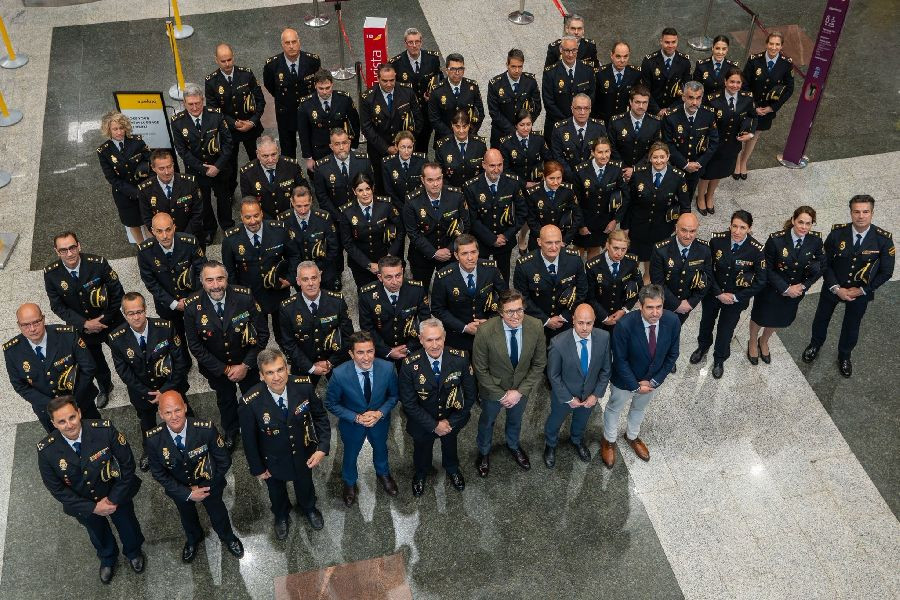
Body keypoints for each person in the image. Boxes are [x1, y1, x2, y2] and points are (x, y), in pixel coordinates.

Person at [37, 396, 145, 584]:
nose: (69, 425)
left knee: (128, 524)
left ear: (79, 413)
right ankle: (108, 558)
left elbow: (127, 466)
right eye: (61, 421)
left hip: (115, 494)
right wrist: (93, 508)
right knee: (96, 532)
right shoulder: (47, 450)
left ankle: (133, 551)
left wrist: (112, 500)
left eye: (72, 417)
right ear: (53, 423)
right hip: (84, 504)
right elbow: (57, 489)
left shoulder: (104, 430)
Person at [240, 349, 330, 536]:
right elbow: (249, 439)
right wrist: (257, 468)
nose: (277, 377)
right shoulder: (250, 402)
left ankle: (309, 507)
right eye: (269, 372)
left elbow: (320, 416)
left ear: (287, 368)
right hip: (272, 459)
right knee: (276, 491)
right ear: (261, 375)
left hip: (303, 452)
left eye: (280, 369)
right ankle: (281, 514)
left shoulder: (304, 386)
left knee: (305, 484)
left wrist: (322, 447)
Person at [803, 195, 894, 378]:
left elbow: (886, 272)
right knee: (821, 318)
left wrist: (863, 290)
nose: (861, 216)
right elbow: (825, 263)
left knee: (852, 325)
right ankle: (815, 345)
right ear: (851, 212)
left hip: (860, 291)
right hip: (834, 287)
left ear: (872, 213)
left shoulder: (883, 240)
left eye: (865, 212)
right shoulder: (837, 234)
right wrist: (836, 288)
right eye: (856, 211)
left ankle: (844, 356)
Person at [146, 391, 244, 559]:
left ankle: (228, 537)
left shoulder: (205, 429)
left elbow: (224, 461)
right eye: (168, 412)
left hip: (209, 485)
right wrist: (187, 493)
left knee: (218, 513)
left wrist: (204, 488)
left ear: (185, 407)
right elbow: (159, 473)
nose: (174, 417)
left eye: (177, 410)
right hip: (179, 490)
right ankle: (193, 539)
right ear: (160, 414)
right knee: (187, 516)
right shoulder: (154, 439)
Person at [183, 261, 269, 448]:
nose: (216, 285)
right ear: (202, 282)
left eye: (220, 279)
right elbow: (195, 345)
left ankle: (259, 428)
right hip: (217, 368)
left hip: (247, 363)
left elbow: (262, 334)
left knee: (254, 397)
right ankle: (231, 430)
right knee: (225, 400)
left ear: (227, 278)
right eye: (210, 280)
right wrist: (225, 369)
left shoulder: (244, 297)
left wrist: (245, 365)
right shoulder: (192, 306)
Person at [108, 292, 190, 471]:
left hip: (171, 387)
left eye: (139, 311)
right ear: (124, 314)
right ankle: (149, 451)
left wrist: (165, 390)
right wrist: (147, 392)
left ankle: (192, 441)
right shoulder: (116, 338)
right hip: (143, 393)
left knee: (184, 414)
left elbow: (180, 362)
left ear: (146, 310)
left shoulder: (165, 328)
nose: (136, 317)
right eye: (131, 313)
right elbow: (124, 372)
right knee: (147, 423)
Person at [44, 231, 123, 409]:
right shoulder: (51, 274)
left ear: (79, 245)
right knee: (94, 363)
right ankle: (105, 387)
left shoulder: (98, 264)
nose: (69, 253)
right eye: (63, 250)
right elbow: (58, 306)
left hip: (111, 321)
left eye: (72, 247)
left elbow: (118, 293)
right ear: (56, 251)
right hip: (82, 329)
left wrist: (103, 319)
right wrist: (85, 324)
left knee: (126, 353)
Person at [471, 289, 546, 476]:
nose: (516, 316)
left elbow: (539, 364)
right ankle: (484, 452)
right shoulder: (485, 331)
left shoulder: (536, 326)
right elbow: (480, 369)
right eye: (510, 311)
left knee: (515, 420)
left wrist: (519, 392)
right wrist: (502, 395)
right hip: (492, 390)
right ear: (500, 312)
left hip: (521, 389)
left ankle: (513, 445)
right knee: (487, 421)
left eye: (519, 310)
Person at [603, 284, 680, 467]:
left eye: (659, 307)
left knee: (639, 408)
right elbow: (620, 359)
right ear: (640, 305)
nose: (655, 313)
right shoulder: (624, 325)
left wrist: (654, 381)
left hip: (652, 381)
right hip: (624, 381)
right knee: (614, 408)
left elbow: (672, 354)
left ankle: (632, 436)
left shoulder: (672, 321)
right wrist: (636, 386)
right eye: (650, 307)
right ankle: (609, 440)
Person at [400, 318, 476, 496]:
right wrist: (434, 425)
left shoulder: (460, 358)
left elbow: (470, 395)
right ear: (421, 340)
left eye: (438, 339)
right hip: (422, 422)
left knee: (450, 444)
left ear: (444, 337)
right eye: (429, 340)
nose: (434, 345)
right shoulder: (409, 365)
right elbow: (409, 403)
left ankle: (452, 468)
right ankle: (421, 473)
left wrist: (450, 422)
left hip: (452, 418)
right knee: (422, 449)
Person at [325, 331, 400, 506]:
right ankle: (349, 482)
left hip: (379, 423)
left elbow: (394, 396)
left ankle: (383, 474)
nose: (366, 358)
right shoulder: (339, 374)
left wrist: (379, 413)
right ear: (351, 354)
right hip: (352, 425)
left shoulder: (388, 368)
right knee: (350, 454)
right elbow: (331, 403)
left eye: (370, 351)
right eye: (360, 352)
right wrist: (356, 418)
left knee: (381, 449)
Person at [690, 210, 766, 379]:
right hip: (713, 294)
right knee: (706, 322)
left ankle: (719, 358)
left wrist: (736, 297)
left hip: (735, 300)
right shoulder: (717, 241)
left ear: (749, 228)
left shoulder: (756, 250)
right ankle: (703, 346)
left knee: (726, 330)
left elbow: (760, 281)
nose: (737, 231)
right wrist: (718, 293)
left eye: (742, 227)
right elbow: (707, 269)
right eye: (734, 226)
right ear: (730, 225)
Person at [5, 303, 100, 432]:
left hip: (80, 402)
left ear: (43, 319)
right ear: (18, 325)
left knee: (96, 433)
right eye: (25, 325)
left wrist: (72, 402)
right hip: (47, 411)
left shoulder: (67, 335)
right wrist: (51, 406)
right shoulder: (12, 351)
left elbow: (88, 367)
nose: (32, 329)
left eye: (36, 322)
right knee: (60, 442)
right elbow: (19, 385)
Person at [748, 206, 824, 364]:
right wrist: (785, 288)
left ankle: (764, 340)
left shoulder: (815, 241)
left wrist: (803, 286)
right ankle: (753, 341)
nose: (804, 227)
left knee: (779, 319)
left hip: (795, 292)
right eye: (800, 222)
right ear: (793, 220)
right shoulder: (776, 240)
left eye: (808, 223)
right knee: (760, 317)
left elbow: (821, 266)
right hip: (771, 289)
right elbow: (766, 267)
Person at [222, 197, 298, 348]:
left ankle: (289, 357)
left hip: (278, 291)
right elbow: (230, 272)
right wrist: (237, 297)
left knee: (284, 333)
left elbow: (294, 255)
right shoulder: (231, 238)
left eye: (256, 215)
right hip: (251, 296)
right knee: (256, 338)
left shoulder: (279, 230)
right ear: (241, 217)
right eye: (248, 217)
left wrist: (290, 279)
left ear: (262, 213)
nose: (253, 221)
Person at [544, 303, 611, 467]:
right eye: (580, 323)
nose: (585, 328)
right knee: (555, 421)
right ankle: (550, 444)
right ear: (573, 320)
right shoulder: (558, 343)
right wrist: (568, 398)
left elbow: (606, 370)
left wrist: (596, 394)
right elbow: (553, 375)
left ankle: (577, 440)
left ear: (594, 321)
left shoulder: (604, 338)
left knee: (581, 421)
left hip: (589, 395)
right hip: (564, 396)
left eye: (589, 323)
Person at [171, 83, 235, 245]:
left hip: (219, 167)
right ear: (184, 103)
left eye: (198, 103)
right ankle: (209, 229)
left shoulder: (216, 115)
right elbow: (182, 151)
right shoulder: (177, 122)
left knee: (224, 199)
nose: (194, 107)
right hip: (197, 171)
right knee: (203, 202)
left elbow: (228, 143)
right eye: (190, 104)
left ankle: (227, 226)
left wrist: (218, 166)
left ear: (203, 100)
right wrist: (203, 168)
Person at [431, 233, 508, 353]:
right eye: (464, 253)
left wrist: (492, 321)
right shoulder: (444, 277)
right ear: (456, 255)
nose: (470, 258)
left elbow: (506, 297)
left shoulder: (491, 269)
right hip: (457, 335)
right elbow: (438, 309)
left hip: (489, 332)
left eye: (473, 252)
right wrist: (464, 327)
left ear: (478, 252)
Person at [137, 212, 207, 343]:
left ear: (174, 227)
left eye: (168, 230)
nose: (164, 236)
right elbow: (151, 282)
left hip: (193, 300)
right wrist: (173, 303)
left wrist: (191, 299)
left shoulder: (190, 243)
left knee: (201, 336)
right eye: (159, 231)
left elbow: (202, 272)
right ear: (152, 231)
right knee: (176, 340)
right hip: (166, 305)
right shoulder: (145, 252)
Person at [278, 262, 353, 383]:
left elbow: (348, 336)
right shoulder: (287, 308)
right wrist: (311, 368)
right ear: (298, 281)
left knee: (348, 390)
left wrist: (330, 362)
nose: (310, 283)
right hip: (304, 364)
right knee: (300, 394)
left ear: (320, 278)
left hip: (335, 359)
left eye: (314, 278)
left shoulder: (337, 301)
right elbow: (289, 343)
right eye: (305, 279)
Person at [623, 142, 689, 275]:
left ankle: (648, 278)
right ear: (650, 158)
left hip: (662, 226)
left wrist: (681, 228)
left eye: (662, 157)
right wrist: (625, 226)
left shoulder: (678, 176)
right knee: (632, 257)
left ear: (668, 157)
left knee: (653, 258)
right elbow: (629, 202)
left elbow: (685, 206)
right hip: (638, 224)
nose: (659, 161)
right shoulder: (638, 173)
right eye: (655, 157)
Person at [514, 224, 588, 341]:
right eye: (549, 243)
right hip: (536, 323)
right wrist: (546, 320)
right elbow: (522, 298)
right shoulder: (524, 265)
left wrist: (565, 316)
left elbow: (582, 290)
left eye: (557, 242)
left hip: (567, 321)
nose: (554, 247)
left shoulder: (574, 260)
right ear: (539, 242)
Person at [205, 43, 265, 185]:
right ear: (216, 60)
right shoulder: (211, 81)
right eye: (223, 61)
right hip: (228, 130)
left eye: (229, 59)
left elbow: (260, 100)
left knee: (257, 160)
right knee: (230, 165)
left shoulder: (246, 74)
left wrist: (252, 121)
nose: (227, 64)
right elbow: (214, 110)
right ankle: (231, 190)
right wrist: (234, 123)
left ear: (234, 57)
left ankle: (260, 186)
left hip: (251, 127)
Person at [736, 31, 795, 178]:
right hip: (749, 105)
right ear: (766, 44)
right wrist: (752, 105)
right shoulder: (754, 60)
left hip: (766, 109)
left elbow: (789, 89)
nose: (773, 47)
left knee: (754, 135)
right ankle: (736, 162)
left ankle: (744, 162)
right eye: (771, 44)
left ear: (781, 46)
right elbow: (744, 83)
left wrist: (772, 108)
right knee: (741, 132)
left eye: (777, 44)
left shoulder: (786, 64)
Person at [697, 68, 755, 214]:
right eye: (731, 82)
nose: (735, 85)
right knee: (707, 173)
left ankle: (710, 196)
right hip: (713, 144)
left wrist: (750, 133)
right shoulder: (712, 99)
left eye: (738, 82)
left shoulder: (747, 98)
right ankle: (700, 197)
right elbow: (703, 121)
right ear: (725, 81)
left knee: (719, 172)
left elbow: (753, 116)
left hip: (731, 145)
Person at [402, 161, 470, 284]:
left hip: (450, 254)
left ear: (442, 177)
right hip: (422, 255)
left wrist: (449, 250)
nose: (435, 184)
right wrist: (433, 253)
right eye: (430, 180)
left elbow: (465, 225)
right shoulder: (412, 201)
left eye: (438, 179)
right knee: (420, 291)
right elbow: (413, 232)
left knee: (451, 289)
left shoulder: (456, 195)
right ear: (422, 180)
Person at [360, 63, 422, 194]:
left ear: (395, 77)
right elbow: (366, 127)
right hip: (379, 150)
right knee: (381, 182)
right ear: (378, 79)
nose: (389, 84)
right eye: (385, 81)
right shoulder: (368, 97)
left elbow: (418, 119)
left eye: (392, 80)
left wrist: (406, 144)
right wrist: (386, 148)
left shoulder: (407, 92)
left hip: (405, 148)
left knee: (407, 180)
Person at [463, 148, 524, 281]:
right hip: (481, 241)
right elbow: (472, 219)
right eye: (492, 165)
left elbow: (521, 213)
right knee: (480, 277)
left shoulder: (513, 183)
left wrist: (506, 235)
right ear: (484, 165)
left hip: (504, 240)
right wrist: (491, 239)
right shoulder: (471, 186)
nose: (496, 170)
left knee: (503, 277)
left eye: (499, 165)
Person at [358, 255, 430, 365]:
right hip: (381, 351)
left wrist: (409, 348)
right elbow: (367, 328)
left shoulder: (416, 290)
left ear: (403, 272)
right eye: (389, 277)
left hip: (411, 349)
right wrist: (388, 351)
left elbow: (425, 321)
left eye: (398, 275)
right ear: (380, 277)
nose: (395, 282)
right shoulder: (367, 295)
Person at [262, 27, 321, 159]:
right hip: (285, 113)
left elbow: (316, 84)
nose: (291, 46)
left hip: (308, 111)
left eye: (294, 42)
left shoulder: (312, 61)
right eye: (287, 43)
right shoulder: (272, 65)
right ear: (282, 45)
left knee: (313, 146)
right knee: (287, 149)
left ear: (299, 42)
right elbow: (270, 86)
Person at [498, 110, 551, 254]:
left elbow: (548, 159)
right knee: (523, 212)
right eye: (522, 125)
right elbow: (505, 170)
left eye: (529, 124)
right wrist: (524, 183)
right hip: (516, 185)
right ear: (516, 125)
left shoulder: (538, 139)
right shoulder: (506, 143)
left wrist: (546, 177)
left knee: (535, 212)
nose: (526, 128)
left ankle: (527, 236)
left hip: (537, 184)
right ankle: (522, 236)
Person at [338, 171, 404, 288]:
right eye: (360, 190)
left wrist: (390, 255)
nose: (365, 194)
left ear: (373, 188)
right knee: (365, 293)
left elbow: (401, 231)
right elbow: (347, 243)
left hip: (386, 260)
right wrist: (368, 264)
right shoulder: (347, 212)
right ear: (354, 191)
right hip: (361, 264)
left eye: (367, 189)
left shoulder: (386, 205)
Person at [650, 212, 712, 328]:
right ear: (676, 228)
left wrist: (691, 303)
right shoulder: (661, 250)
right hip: (662, 304)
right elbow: (657, 282)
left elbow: (707, 279)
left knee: (675, 330)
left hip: (686, 306)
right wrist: (677, 304)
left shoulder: (704, 250)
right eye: (684, 230)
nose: (688, 236)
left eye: (692, 231)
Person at [97, 111, 151, 243]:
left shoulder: (137, 142)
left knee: (148, 221)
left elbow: (150, 161)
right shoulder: (104, 151)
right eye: (115, 129)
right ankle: (141, 248)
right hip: (124, 194)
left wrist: (144, 183)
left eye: (121, 128)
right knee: (133, 223)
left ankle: (152, 246)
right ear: (108, 130)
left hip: (143, 188)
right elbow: (112, 178)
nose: (119, 132)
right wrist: (134, 192)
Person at [662, 80, 719, 205]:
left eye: (698, 98)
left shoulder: (708, 114)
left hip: (697, 166)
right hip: (676, 165)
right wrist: (685, 164)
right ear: (683, 97)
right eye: (691, 98)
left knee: (688, 195)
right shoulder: (671, 116)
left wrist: (699, 163)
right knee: (670, 196)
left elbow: (714, 142)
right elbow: (667, 144)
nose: (695, 102)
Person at [389, 27, 443, 154]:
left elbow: (439, 80)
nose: (414, 45)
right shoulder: (396, 63)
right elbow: (392, 87)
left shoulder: (432, 59)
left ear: (421, 42)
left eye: (417, 41)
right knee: (406, 144)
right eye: (410, 42)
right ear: (405, 43)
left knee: (423, 144)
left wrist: (433, 95)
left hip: (426, 111)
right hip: (406, 113)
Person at [278, 184, 341, 291]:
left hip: (323, 271)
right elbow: (285, 251)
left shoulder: (323, 218)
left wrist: (319, 269)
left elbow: (333, 248)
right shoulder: (283, 220)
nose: (303, 210)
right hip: (299, 274)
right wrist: (294, 274)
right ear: (292, 202)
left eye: (306, 205)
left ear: (311, 200)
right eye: (298, 206)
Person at [574, 137, 628, 257]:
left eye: (607, 151)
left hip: (604, 222)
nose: (604, 156)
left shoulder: (616, 169)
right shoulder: (580, 170)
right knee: (577, 254)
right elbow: (575, 201)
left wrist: (615, 220)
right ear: (593, 152)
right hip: (584, 220)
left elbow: (625, 197)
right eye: (600, 152)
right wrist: (581, 225)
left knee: (594, 253)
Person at [298, 69, 361, 169]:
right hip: (319, 151)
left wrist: (353, 147)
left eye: (328, 88)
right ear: (315, 86)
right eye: (321, 88)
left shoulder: (344, 99)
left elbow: (355, 123)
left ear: (332, 84)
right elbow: (303, 133)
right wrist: (308, 157)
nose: (325, 92)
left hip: (341, 148)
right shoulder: (306, 104)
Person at [542, 35, 597, 142]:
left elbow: (591, 95)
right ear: (561, 50)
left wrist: (579, 117)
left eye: (573, 50)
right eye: (567, 51)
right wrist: (568, 122)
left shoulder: (588, 70)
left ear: (577, 49)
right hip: (557, 126)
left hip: (582, 125)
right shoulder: (550, 73)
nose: (570, 54)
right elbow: (548, 102)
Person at [138, 150, 204, 238]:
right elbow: (148, 219)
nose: (167, 172)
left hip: (190, 235)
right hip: (164, 239)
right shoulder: (145, 190)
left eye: (169, 167)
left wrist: (184, 237)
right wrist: (164, 236)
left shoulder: (189, 183)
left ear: (173, 164)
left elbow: (198, 212)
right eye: (161, 168)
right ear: (153, 168)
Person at [239, 135, 308, 219]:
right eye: (265, 156)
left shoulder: (291, 165)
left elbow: (305, 191)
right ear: (257, 154)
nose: (271, 160)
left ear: (278, 150)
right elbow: (248, 203)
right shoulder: (247, 173)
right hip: (263, 219)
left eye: (273, 154)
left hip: (291, 216)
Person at [585, 230, 642, 329]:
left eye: (623, 249)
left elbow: (638, 287)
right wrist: (604, 317)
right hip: (598, 317)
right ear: (607, 245)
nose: (619, 253)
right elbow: (589, 296)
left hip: (622, 316)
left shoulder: (631, 263)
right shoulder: (593, 266)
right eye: (615, 248)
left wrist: (625, 309)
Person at [312, 128, 375, 218]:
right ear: (331, 146)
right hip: (337, 216)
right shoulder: (322, 167)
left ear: (349, 143)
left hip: (362, 214)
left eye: (344, 143)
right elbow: (322, 197)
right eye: (337, 144)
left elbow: (371, 186)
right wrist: (338, 217)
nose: (341, 147)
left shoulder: (363, 161)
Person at [520, 160, 582, 249]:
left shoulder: (568, 191)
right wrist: (544, 239)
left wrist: (566, 240)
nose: (556, 182)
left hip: (560, 240)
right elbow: (531, 220)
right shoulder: (533, 193)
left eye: (559, 178)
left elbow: (577, 215)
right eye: (551, 178)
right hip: (538, 240)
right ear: (544, 177)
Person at [487, 48, 542, 149]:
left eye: (520, 67)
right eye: (513, 66)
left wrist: (524, 125)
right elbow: (494, 112)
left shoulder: (530, 82)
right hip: (501, 134)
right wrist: (514, 131)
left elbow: (537, 107)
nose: (517, 70)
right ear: (507, 65)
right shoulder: (495, 84)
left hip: (524, 134)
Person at [608, 85, 663, 182]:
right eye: (637, 102)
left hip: (644, 172)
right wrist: (624, 169)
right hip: (618, 172)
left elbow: (654, 149)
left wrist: (635, 169)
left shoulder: (655, 123)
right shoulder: (616, 122)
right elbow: (611, 147)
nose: (641, 106)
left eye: (644, 102)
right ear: (630, 102)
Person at [551, 93, 608, 184]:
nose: (582, 112)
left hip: (593, 178)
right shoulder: (560, 129)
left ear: (590, 109)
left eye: (586, 108)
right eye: (578, 108)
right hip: (568, 179)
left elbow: (603, 154)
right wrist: (573, 177)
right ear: (572, 109)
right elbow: (558, 157)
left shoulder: (599, 127)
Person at [429, 53, 485, 143]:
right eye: (453, 69)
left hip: (469, 137)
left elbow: (480, 113)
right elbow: (434, 119)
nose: (457, 72)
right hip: (445, 139)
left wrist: (468, 133)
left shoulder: (472, 87)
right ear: (446, 70)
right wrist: (453, 136)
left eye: (460, 69)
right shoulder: (437, 90)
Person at [640, 27, 692, 116]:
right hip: (652, 110)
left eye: (673, 42)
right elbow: (645, 90)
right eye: (667, 42)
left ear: (677, 41)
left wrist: (670, 110)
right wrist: (657, 111)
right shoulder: (649, 62)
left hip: (675, 110)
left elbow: (686, 90)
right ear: (661, 41)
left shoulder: (684, 62)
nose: (670, 46)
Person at [434, 109, 487, 189]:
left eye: (464, 126)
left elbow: (484, 171)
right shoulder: (442, 146)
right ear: (452, 125)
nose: (461, 131)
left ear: (469, 125)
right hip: (451, 191)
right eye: (457, 126)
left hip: (475, 190)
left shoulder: (480, 145)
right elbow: (439, 174)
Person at [593, 41, 642, 125]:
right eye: (618, 56)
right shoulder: (600, 74)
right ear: (612, 55)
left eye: (625, 56)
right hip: (603, 122)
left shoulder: (636, 74)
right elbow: (594, 102)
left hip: (625, 122)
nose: (622, 60)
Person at [382, 130, 426, 213]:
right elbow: (389, 191)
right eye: (403, 147)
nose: (406, 151)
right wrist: (403, 209)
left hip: (418, 206)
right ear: (396, 146)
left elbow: (425, 186)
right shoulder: (388, 163)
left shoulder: (422, 161)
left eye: (409, 147)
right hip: (398, 207)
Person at [693, 35, 739, 103]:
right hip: (704, 102)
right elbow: (695, 88)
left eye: (724, 49)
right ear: (712, 48)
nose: (720, 52)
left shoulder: (732, 67)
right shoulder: (701, 65)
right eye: (717, 48)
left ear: (727, 50)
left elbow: (734, 90)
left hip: (723, 103)